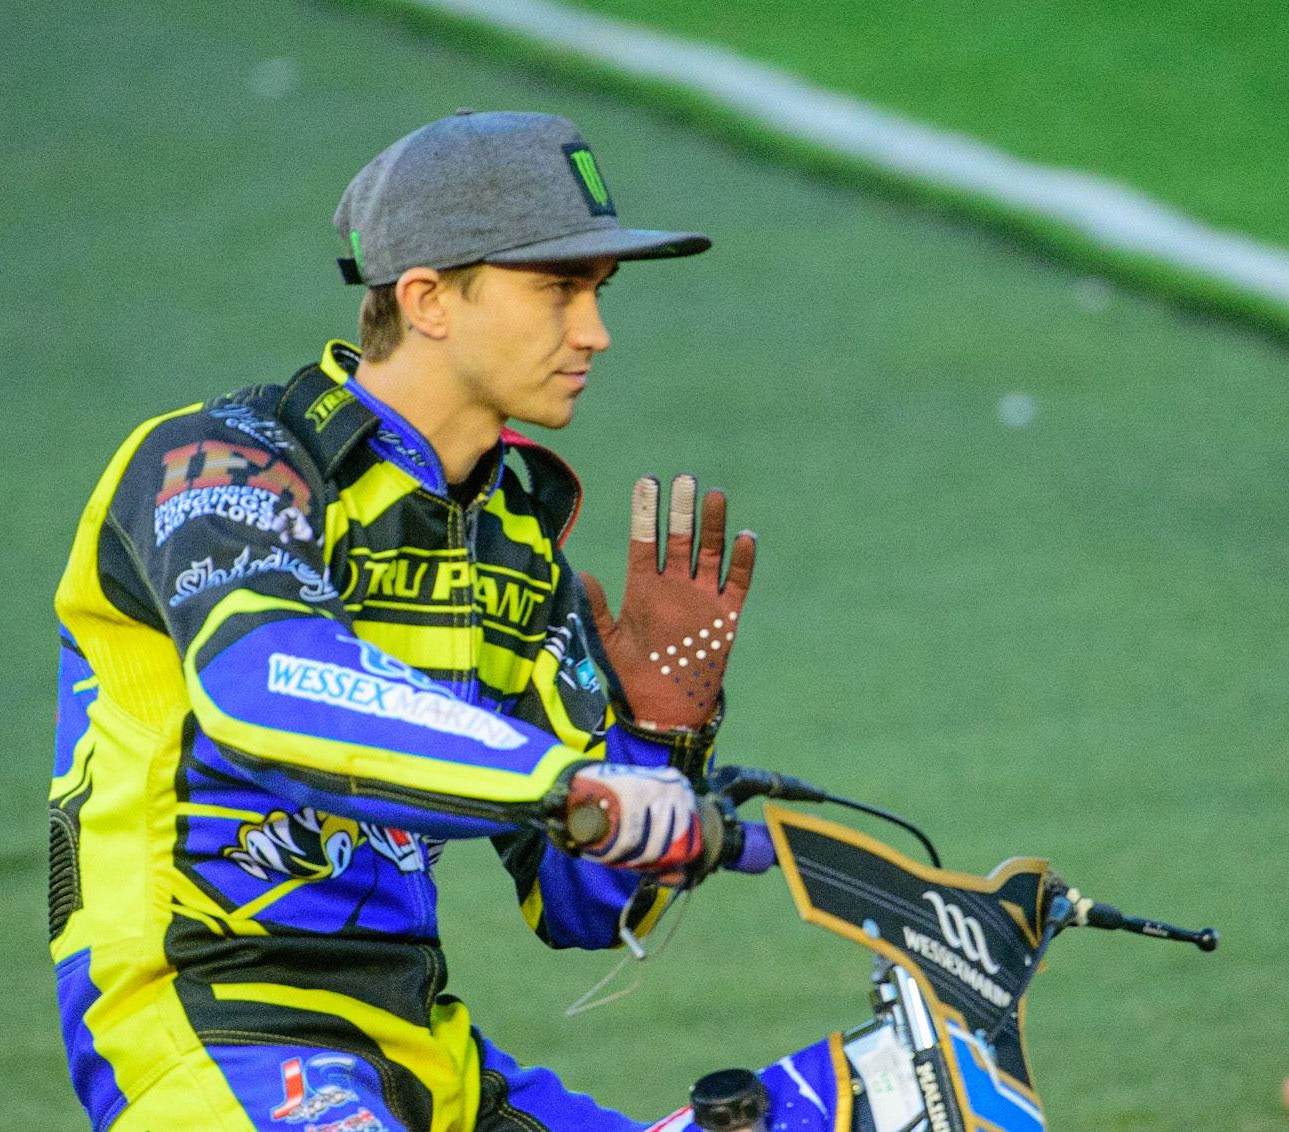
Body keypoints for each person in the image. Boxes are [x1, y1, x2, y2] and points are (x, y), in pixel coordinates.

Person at [48, 110, 757, 1132]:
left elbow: (582, 905)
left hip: (419, 1043)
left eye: (598, 292)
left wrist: (656, 738)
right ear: (426, 298)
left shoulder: (516, 544)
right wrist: (566, 776)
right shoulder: (220, 463)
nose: (595, 330)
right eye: (557, 289)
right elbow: (269, 679)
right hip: (211, 1020)